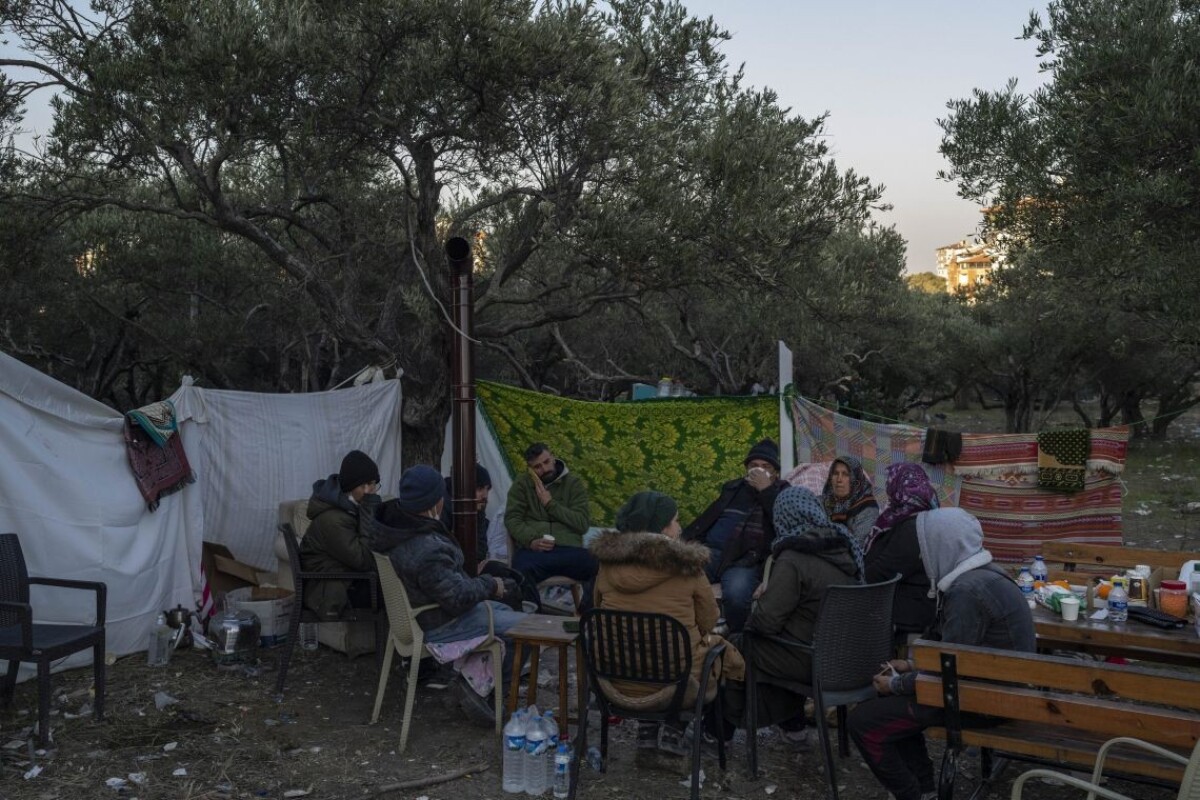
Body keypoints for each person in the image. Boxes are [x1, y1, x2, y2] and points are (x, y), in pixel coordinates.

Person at [848, 507, 1035, 800]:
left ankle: (910, 793)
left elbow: (947, 672)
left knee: (862, 722)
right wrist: (910, 664)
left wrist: (897, 682)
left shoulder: (966, 593)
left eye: (927, 547)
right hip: (994, 692)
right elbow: (955, 657)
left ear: (943, 546)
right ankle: (924, 788)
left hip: (984, 702)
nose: (924, 556)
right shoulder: (985, 575)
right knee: (890, 703)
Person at [590, 491, 745, 760]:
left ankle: (649, 727)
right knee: (716, 651)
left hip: (616, 681)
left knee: (641, 645)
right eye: (675, 521)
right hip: (680, 686)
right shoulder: (688, 567)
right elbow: (708, 621)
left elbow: (597, 610)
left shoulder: (607, 566)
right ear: (662, 527)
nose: (680, 527)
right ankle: (678, 729)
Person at [369, 465, 528, 725]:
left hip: (418, 616)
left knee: (508, 613)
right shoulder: (425, 548)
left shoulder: (393, 530)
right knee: (526, 628)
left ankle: (471, 683)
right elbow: (456, 598)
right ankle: (480, 693)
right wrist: (491, 584)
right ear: (437, 501)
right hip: (440, 623)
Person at [716, 485, 864, 746]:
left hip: (812, 661)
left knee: (738, 646)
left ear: (783, 518)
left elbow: (765, 622)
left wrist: (763, 599)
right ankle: (793, 726)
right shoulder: (843, 549)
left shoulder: (794, 557)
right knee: (768, 648)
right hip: (844, 660)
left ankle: (717, 732)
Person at [682, 438, 788, 633]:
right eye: (754, 465)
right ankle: (693, 634)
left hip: (745, 559)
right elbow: (708, 517)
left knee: (737, 595)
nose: (758, 470)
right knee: (679, 581)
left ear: (775, 473)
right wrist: (684, 540)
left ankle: (737, 640)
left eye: (765, 466)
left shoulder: (783, 492)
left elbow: (785, 522)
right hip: (712, 552)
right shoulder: (733, 487)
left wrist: (765, 490)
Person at [298, 450, 382, 618]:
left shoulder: (347, 508)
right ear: (351, 487)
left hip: (342, 581)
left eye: (374, 484)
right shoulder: (333, 520)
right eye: (365, 485)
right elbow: (364, 560)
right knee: (397, 590)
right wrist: (368, 510)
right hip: (330, 591)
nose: (371, 491)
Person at [863, 463, 940, 639]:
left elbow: (888, 568)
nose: (889, 487)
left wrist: (859, 578)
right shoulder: (900, 516)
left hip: (906, 616)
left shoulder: (914, 525)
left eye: (892, 482)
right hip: (901, 609)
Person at [505, 442, 596, 587]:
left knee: (599, 566)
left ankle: (585, 610)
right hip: (535, 552)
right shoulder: (522, 484)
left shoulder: (573, 483)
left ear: (553, 457)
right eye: (537, 467)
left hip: (569, 550)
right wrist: (532, 540)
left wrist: (550, 504)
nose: (545, 469)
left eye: (546, 462)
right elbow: (512, 518)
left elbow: (582, 524)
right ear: (530, 469)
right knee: (520, 571)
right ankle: (531, 610)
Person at [440, 463, 493, 567]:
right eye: (479, 489)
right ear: (463, 487)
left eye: (487, 489)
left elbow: (481, 545)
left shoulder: (477, 506)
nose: (485, 495)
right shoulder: (442, 507)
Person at [820, 456, 879, 546]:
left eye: (845, 474)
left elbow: (857, 545)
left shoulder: (867, 508)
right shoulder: (822, 501)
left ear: (856, 481)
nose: (839, 479)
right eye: (835, 473)